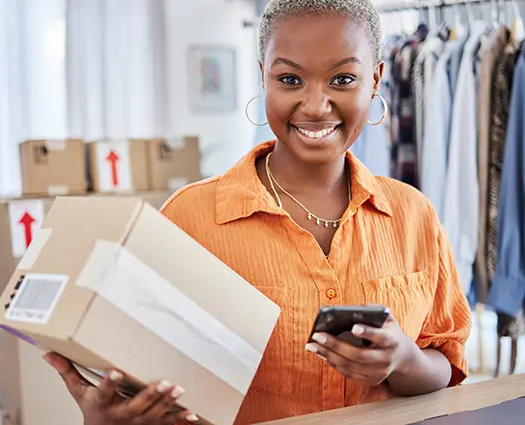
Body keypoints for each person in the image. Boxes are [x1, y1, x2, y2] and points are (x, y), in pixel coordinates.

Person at [44, 0, 472, 424]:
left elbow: (445, 362)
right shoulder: (189, 220)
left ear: (375, 80)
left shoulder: (413, 215)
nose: (316, 106)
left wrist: (404, 360)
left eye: (343, 79)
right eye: (290, 79)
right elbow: (137, 379)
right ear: (262, 78)